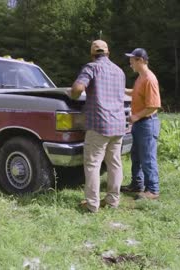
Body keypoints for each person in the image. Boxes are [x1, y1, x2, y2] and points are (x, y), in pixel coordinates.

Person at [71, 40, 126, 212]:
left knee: (93, 164)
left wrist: (73, 94)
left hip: (99, 124)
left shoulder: (92, 67)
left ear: (92, 54)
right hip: (118, 123)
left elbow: (79, 88)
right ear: (108, 53)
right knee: (114, 164)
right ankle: (112, 202)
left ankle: (92, 205)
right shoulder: (119, 71)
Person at [121, 48, 161, 200]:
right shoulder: (141, 78)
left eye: (132, 60)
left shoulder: (150, 79)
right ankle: (137, 185)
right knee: (136, 156)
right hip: (140, 124)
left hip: (147, 124)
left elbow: (154, 106)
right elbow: (136, 92)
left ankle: (153, 190)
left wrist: (136, 116)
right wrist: (123, 90)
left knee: (147, 157)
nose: (130, 62)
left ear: (141, 61)